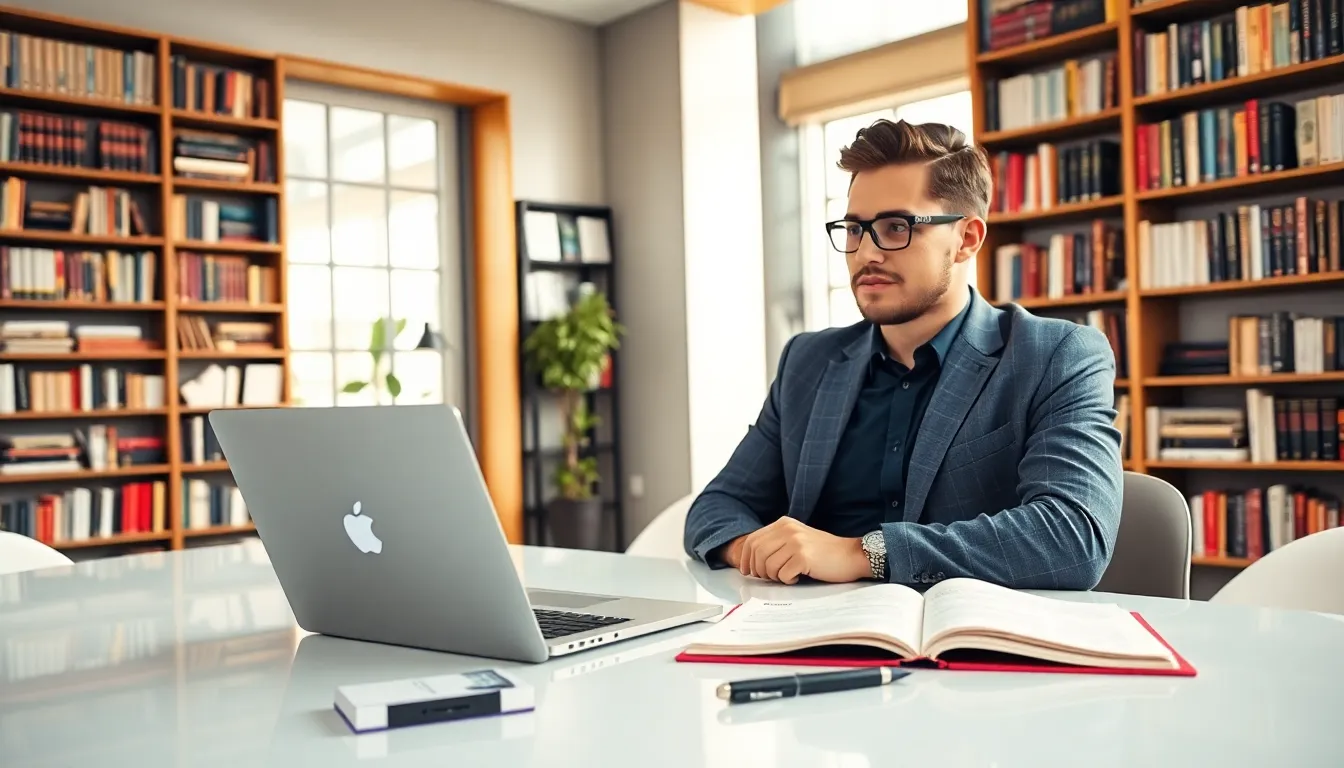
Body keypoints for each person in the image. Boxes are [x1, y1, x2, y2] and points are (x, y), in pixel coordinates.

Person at [682, 118, 1123, 590]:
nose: (866, 253)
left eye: (896, 227)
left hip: (970, 645)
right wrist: (761, 550)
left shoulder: (1055, 355)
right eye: (854, 229)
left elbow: (1073, 537)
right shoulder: (807, 362)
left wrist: (860, 554)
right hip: (807, 632)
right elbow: (715, 508)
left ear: (967, 239)